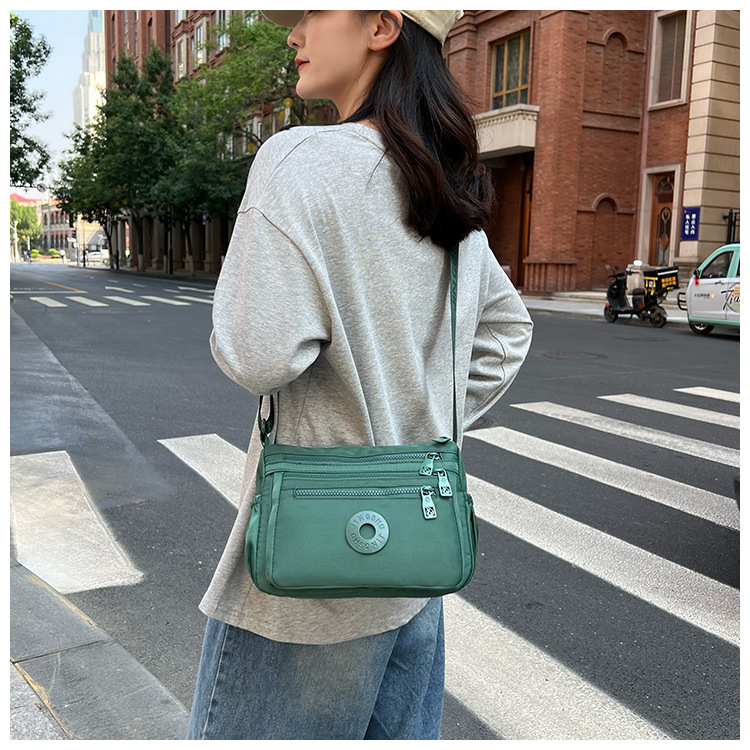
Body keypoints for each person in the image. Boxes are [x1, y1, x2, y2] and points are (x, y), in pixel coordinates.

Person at [186, 10, 533, 741]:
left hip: (308, 581)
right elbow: (506, 332)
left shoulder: (298, 159)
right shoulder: (441, 181)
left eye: (311, 12)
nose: (294, 34)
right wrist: (418, 414)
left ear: (381, 25)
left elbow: (257, 354)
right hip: (415, 561)